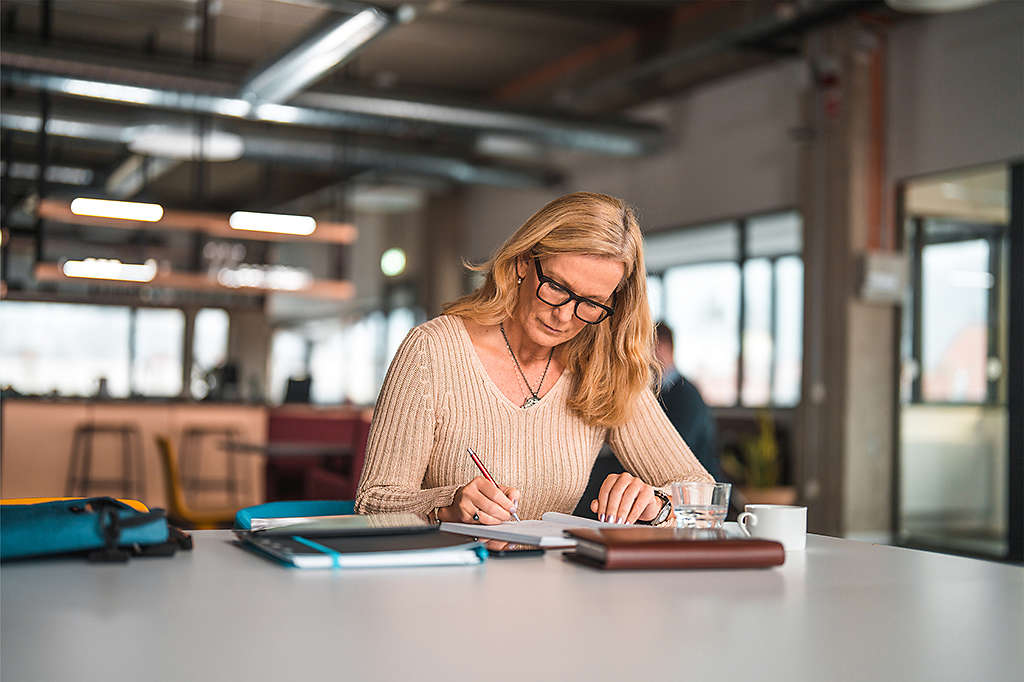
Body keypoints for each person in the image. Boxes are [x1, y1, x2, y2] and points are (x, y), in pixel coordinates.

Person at [355, 192, 713, 526]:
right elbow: (372, 504)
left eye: (590, 303)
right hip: (447, 583)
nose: (564, 316)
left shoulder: (600, 368)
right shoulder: (433, 350)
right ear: (524, 262)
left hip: (555, 584)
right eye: (557, 287)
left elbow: (704, 497)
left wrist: (658, 505)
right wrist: (447, 506)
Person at [654, 322, 723, 482]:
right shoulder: (663, 390)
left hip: (698, 490)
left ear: (661, 348)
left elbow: (676, 448)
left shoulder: (685, 395)